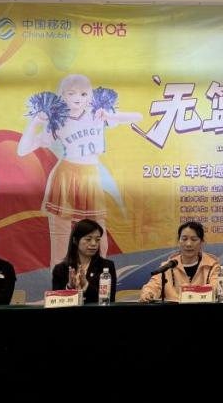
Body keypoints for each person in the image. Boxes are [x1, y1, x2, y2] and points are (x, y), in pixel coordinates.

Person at [17, 74, 141, 265]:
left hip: (91, 176)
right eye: (71, 93)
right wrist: (36, 121)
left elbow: (138, 117)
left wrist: (110, 116)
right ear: (62, 95)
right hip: (66, 175)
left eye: (83, 94)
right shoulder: (58, 121)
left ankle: (98, 275)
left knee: (98, 234)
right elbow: (23, 150)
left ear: (90, 95)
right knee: (61, 234)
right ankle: (60, 278)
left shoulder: (97, 113)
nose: (78, 98)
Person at [140, 222, 220, 303]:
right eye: (184, 239)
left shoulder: (212, 266)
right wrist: (149, 294)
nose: (188, 244)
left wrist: (190, 291)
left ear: (202, 242)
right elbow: (153, 286)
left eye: (194, 239)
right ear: (179, 241)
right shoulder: (167, 266)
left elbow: (216, 287)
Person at [52, 219, 118, 304]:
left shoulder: (107, 266)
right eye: (88, 239)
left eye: (97, 240)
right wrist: (69, 287)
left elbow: (110, 300)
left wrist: (86, 285)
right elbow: (54, 302)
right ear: (75, 240)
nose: (94, 243)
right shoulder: (60, 269)